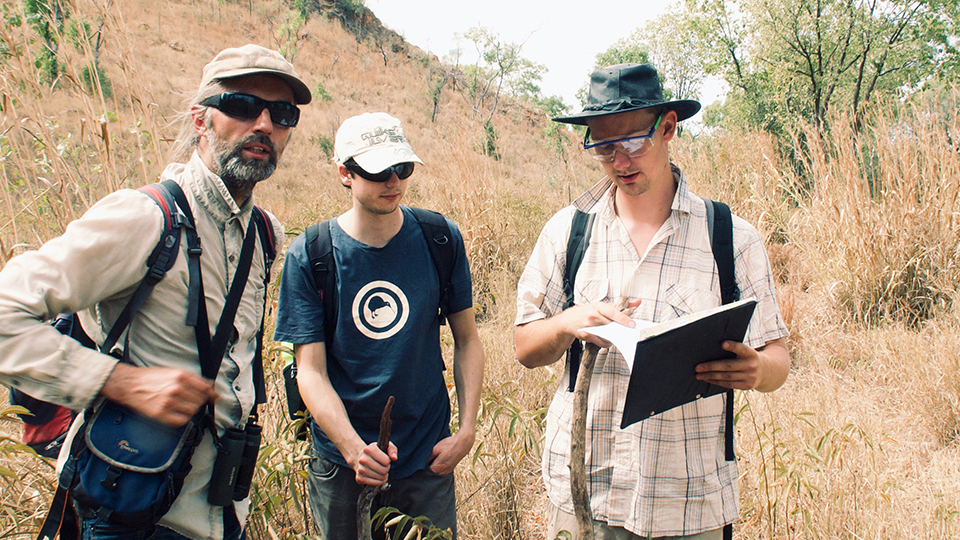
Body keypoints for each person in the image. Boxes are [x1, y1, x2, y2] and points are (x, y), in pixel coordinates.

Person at [0, 43, 311, 540]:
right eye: (240, 105)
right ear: (199, 119)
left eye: (282, 113)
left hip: (221, 512)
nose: (264, 124)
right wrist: (116, 382)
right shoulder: (146, 218)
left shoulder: (264, 234)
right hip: (128, 511)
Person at [514, 63, 790, 540]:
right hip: (586, 493)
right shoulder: (568, 231)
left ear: (667, 128)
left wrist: (758, 371)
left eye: (633, 142)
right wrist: (568, 323)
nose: (619, 160)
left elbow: (778, 357)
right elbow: (524, 347)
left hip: (688, 502)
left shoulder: (729, 237)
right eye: (602, 146)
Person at [273, 112, 484, 539]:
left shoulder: (440, 238)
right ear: (344, 173)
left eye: (402, 168)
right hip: (342, 461)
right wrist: (353, 450)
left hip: (426, 457)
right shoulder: (312, 255)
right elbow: (310, 371)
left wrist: (466, 430)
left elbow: (468, 339)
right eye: (377, 171)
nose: (393, 181)